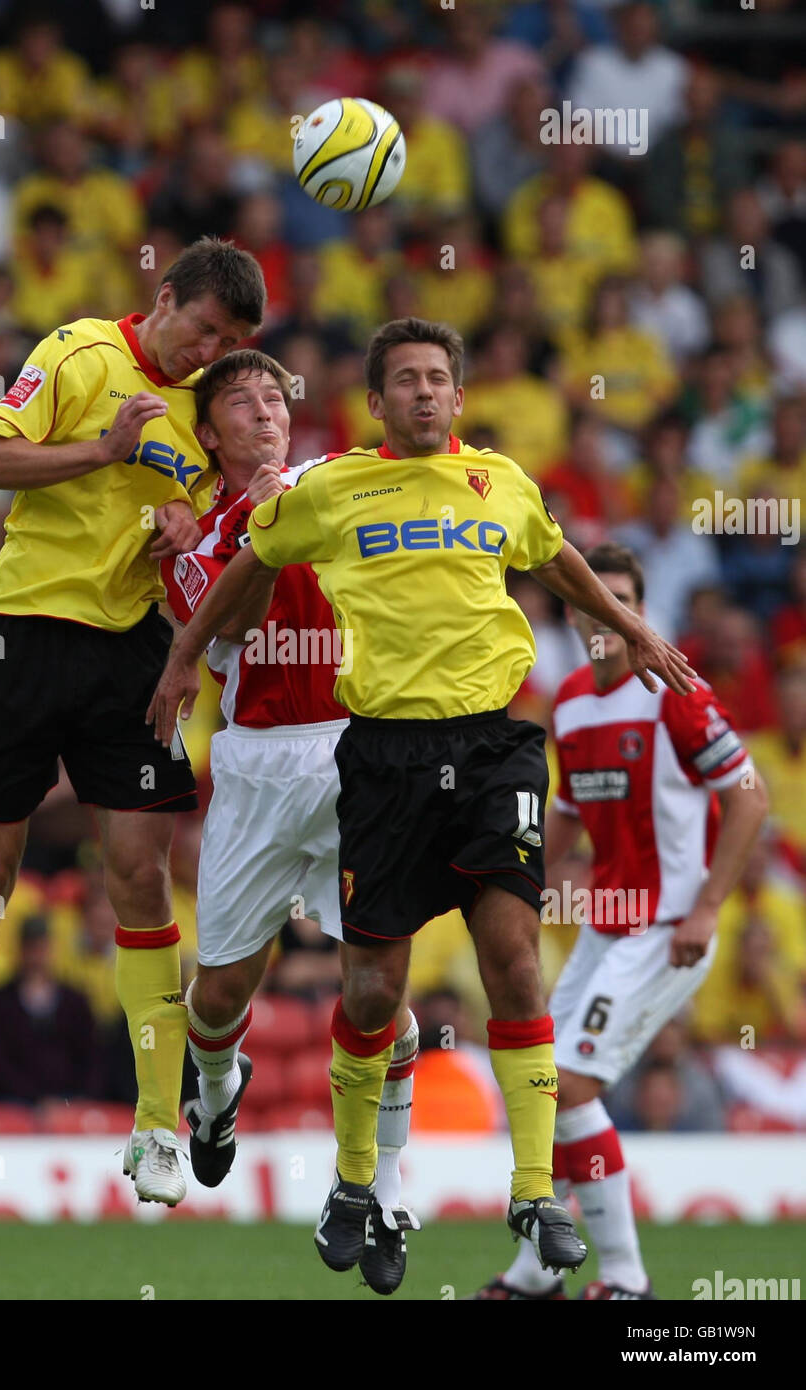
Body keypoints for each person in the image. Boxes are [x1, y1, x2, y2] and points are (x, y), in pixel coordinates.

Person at [148, 316, 695, 1282]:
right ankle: (229, 1092)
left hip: (475, 747)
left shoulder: (495, 481)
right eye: (404, 380)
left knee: (508, 966)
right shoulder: (307, 498)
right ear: (376, 402)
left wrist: (629, 626)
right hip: (337, 758)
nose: (425, 392)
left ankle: (478, 1194)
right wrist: (187, 647)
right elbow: (230, 581)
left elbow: (556, 554)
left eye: (438, 378)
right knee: (296, 990)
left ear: (457, 392)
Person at [0, 237, 266, 1206]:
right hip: (19, 632)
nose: (208, 350)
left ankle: (152, 1129)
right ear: (164, 295)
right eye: (204, 327)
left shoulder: (206, 413)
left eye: (230, 340)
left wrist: (189, 525)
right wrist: (102, 449)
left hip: (131, 652)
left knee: (138, 875)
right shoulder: (79, 352)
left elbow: (210, 542)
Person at [158, 347, 420, 1295]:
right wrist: (256, 522)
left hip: (357, 749)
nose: (265, 410)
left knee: (380, 993)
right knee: (221, 995)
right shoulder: (192, 548)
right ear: (210, 433)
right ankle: (218, 1100)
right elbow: (229, 625)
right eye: (240, 401)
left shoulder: (332, 481)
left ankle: (384, 1194)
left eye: (274, 395)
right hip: (259, 765)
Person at [478, 543, 766, 1300]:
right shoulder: (570, 698)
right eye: (595, 599)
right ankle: (535, 1273)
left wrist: (706, 908)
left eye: (626, 600)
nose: (610, 614)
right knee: (542, 1082)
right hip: (606, 928)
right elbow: (568, 813)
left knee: (568, 1085)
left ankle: (628, 1281)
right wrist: (522, 882)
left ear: (639, 613)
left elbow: (750, 797)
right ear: (577, 613)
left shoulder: (673, 689)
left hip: (665, 929)